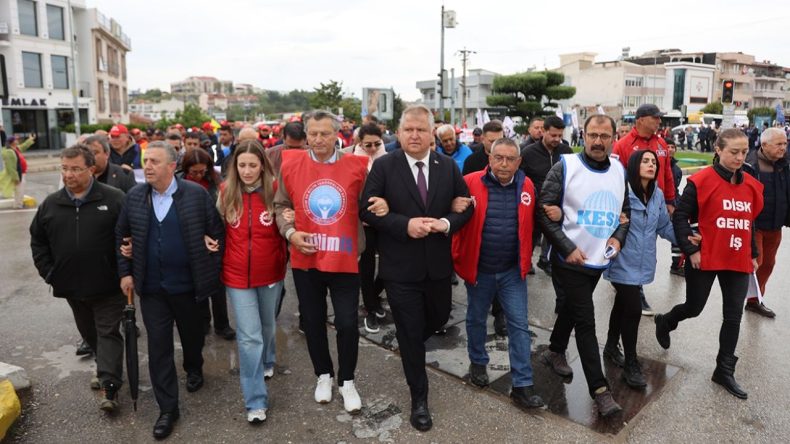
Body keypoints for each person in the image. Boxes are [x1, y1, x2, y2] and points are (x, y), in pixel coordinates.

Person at [360, 104, 473, 432]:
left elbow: (466, 207)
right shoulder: (384, 166)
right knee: (411, 334)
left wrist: (445, 223)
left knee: (438, 318)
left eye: (421, 129)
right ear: (398, 132)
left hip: (438, 267)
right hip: (400, 268)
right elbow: (365, 209)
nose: (414, 135)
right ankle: (419, 398)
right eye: (408, 129)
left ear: (431, 133)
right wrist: (403, 224)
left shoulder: (447, 166)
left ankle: (409, 343)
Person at [116, 141, 225, 439]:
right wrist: (126, 273)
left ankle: (194, 366)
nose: (147, 166)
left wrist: (210, 270)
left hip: (188, 287)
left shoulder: (195, 195)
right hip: (152, 289)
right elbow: (121, 236)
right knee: (158, 347)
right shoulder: (135, 197)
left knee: (192, 336)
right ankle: (167, 408)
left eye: (154, 161)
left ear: (172, 165)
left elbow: (217, 234)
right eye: (145, 160)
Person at [273, 110, 371, 415]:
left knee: (347, 323)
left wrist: (379, 207)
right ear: (306, 135)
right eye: (313, 134)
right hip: (307, 258)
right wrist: (290, 231)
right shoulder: (291, 164)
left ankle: (347, 380)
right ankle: (324, 375)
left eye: (325, 134)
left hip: (345, 257)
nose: (318, 139)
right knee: (313, 321)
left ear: (337, 134)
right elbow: (280, 205)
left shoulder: (356, 166)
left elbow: (368, 203)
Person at [655, 129, 763, 400]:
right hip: (706, 255)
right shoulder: (701, 181)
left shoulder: (751, 184)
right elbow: (680, 217)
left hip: (737, 257)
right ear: (718, 149)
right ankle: (666, 320)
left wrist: (752, 253)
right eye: (733, 152)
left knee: (733, 316)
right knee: (694, 307)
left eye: (744, 152)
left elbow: (748, 222)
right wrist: (691, 249)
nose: (740, 157)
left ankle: (724, 370)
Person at [537, 114, 630, 417]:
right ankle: (600, 391)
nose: (598, 141)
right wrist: (567, 248)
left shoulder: (619, 170)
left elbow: (624, 213)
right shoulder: (565, 166)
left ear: (613, 138)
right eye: (592, 135)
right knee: (586, 321)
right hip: (569, 260)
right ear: (583, 136)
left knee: (573, 308)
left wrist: (618, 238)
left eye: (604, 136)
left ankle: (554, 350)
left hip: (597, 259)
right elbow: (543, 211)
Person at [30, 145, 126, 412]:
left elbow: (130, 236)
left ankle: (110, 386)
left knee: (108, 332)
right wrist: (50, 273)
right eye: (64, 168)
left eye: (75, 169)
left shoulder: (114, 199)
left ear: (91, 169)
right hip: (71, 287)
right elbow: (38, 241)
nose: (68, 174)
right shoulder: (51, 204)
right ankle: (104, 365)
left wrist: (125, 272)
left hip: (109, 286)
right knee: (90, 333)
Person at [451, 138, 544, 410]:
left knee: (519, 325)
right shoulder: (468, 182)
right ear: (489, 159)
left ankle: (523, 385)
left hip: (512, 271)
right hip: (480, 269)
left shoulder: (527, 186)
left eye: (510, 159)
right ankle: (478, 362)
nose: (504, 164)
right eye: (498, 158)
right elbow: (451, 216)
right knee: (476, 318)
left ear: (519, 162)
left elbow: (534, 222)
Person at [218, 139, 287, 424]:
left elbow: (288, 224)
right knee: (249, 337)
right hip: (236, 276)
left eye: (252, 165)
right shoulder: (226, 191)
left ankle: (268, 359)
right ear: (234, 166)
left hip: (270, 272)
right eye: (242, 165)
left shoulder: (275, 189)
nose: (247, 171)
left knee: (267, 324)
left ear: (262, 166)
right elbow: (217, 228)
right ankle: (255, 400)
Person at [600, 150, 677, 388]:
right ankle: (631, 364)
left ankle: (611, 346)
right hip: (621, 261)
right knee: (633, 309)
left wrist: (687, 240)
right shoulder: (621, 191)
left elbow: (664, 227)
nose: (651, 165)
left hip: (642, 263)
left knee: (622, 304)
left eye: (654, 162)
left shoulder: (657, 195)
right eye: (645, 161)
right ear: (634, 165)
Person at [611, 104, 676, 315]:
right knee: (630, 248)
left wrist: (670, 200)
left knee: (645, 247)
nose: (659, 121)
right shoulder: (623, 145)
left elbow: (667, 173)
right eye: (655, 117)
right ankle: (632, 289)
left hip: (654, 205)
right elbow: (614, 176)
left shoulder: (661, 143)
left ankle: (631, 286)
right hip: (630, 207)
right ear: (640, 119)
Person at [344, 123, 388, 333]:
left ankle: (374, 296)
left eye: (376, 144)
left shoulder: (386, 157)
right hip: (362, 222)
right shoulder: (349, 157)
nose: (372, 148)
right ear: (359, 142)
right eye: (367, 144)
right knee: (367, 267)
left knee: (389, 264)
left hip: (384, 219)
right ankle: (370, 307)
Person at [742, 127, 789, 318]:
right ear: (764, 145)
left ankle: (755, 300)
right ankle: (746, 299)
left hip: (776, 225)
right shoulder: (749, 165)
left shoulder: (785, 164)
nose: (783, 148)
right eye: (779, 144)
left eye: (785, 143)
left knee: (768, 264)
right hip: (755, 225)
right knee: (757, 262)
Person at [521, 115, 574, 276]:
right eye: (553, 135)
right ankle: (525, 262)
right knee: (532, 235)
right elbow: (521, 179)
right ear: (543, 131)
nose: (557, 139)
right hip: (534, 203)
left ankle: (546, 260)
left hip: (557, 204)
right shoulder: (528, 153)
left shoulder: (567, 152)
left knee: (553, 234)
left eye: (560, 135)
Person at [665, 138, 685, 277]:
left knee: (677, 235)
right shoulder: (657, 164)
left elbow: (675, 189)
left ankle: (676, 265)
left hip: (673, 204)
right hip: (659, 205)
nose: (670, 149)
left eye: (673, 147)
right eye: (668, 146)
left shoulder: (677, 169)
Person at [3, 135, 36, 208]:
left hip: (22, 173)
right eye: (15, 139)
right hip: (18, 174)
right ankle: (18, 205)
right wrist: (15, 178)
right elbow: (11, 167)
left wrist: (30, 139)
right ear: (12, 142)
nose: (17, 140)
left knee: (21, 190)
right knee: (19, 191)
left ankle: (19, 204)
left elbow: (24, 146)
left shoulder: (16, 148)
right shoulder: (9, 152)